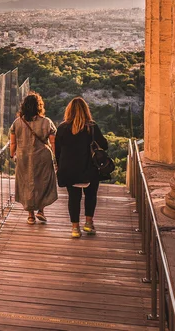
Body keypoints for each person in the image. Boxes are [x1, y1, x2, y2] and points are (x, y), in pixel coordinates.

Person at [54, 97, 108, 239]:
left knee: (73, 198)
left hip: (69, 169)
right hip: (89, 168)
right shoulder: (92, 127)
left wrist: (60, 166)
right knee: (91, 195)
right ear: (86, 110)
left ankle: (75, 228)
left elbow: (57, 151)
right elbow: (104, 145)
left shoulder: (62, 128)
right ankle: (88, 224)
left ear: (69, 110)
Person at [10, 93, 58, 225]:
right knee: (43, 182)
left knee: (27, 184)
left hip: (24, 157)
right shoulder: (46, 122)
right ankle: (41, 210)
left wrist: (12, 154)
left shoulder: (17, 123)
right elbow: (53, 142)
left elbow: (13, 143)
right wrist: (56, 158)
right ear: (39, 106)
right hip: (43, 157)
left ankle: (30, 215)